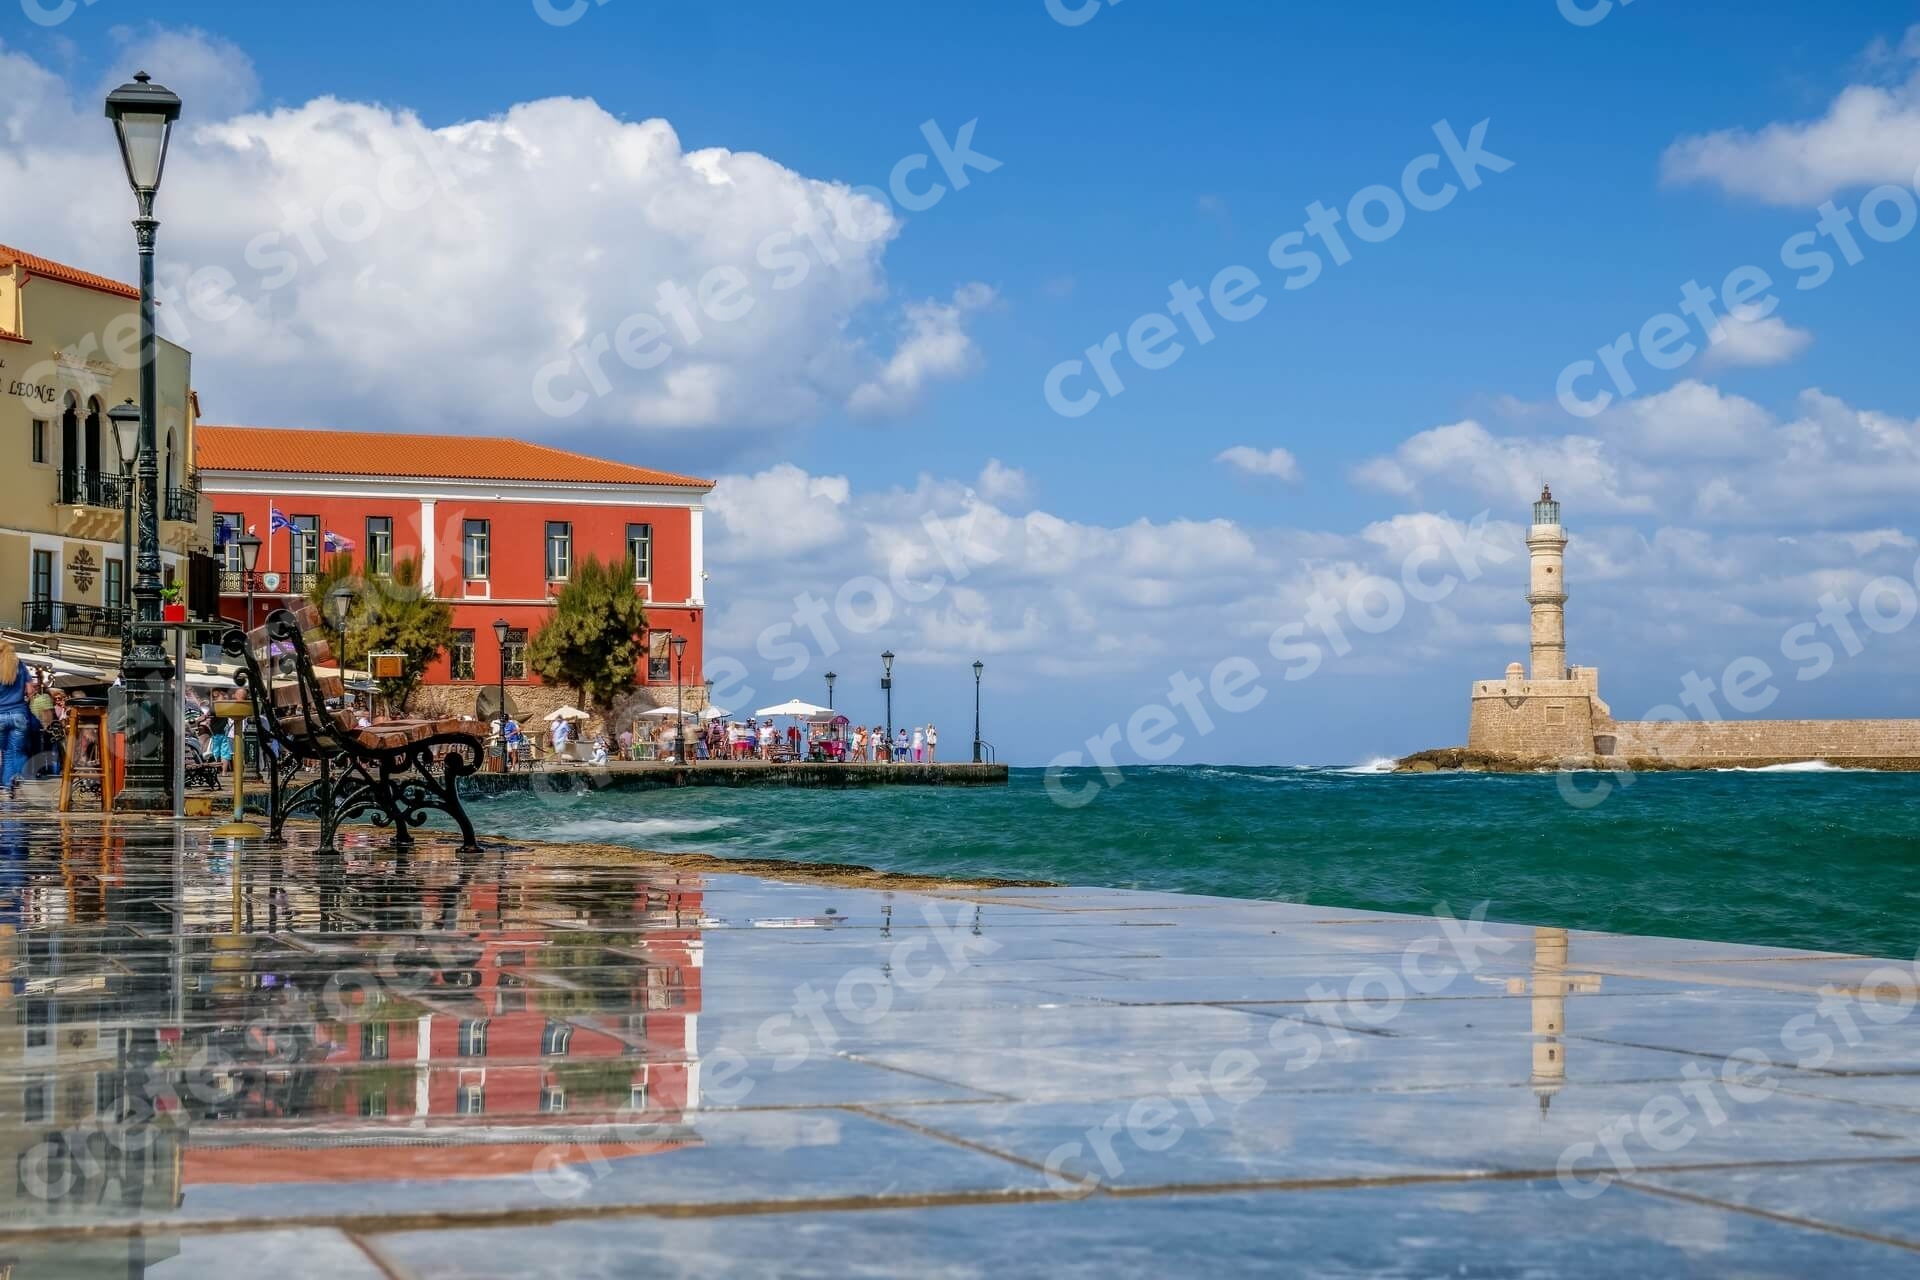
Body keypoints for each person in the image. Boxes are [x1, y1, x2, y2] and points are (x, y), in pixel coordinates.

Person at [0, 641, 33, 795]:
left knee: (4, 751)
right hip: (19, 714)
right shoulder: (20, 665)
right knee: (14, 751)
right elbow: (30, 690)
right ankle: (9, 783)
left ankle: (7, 784)